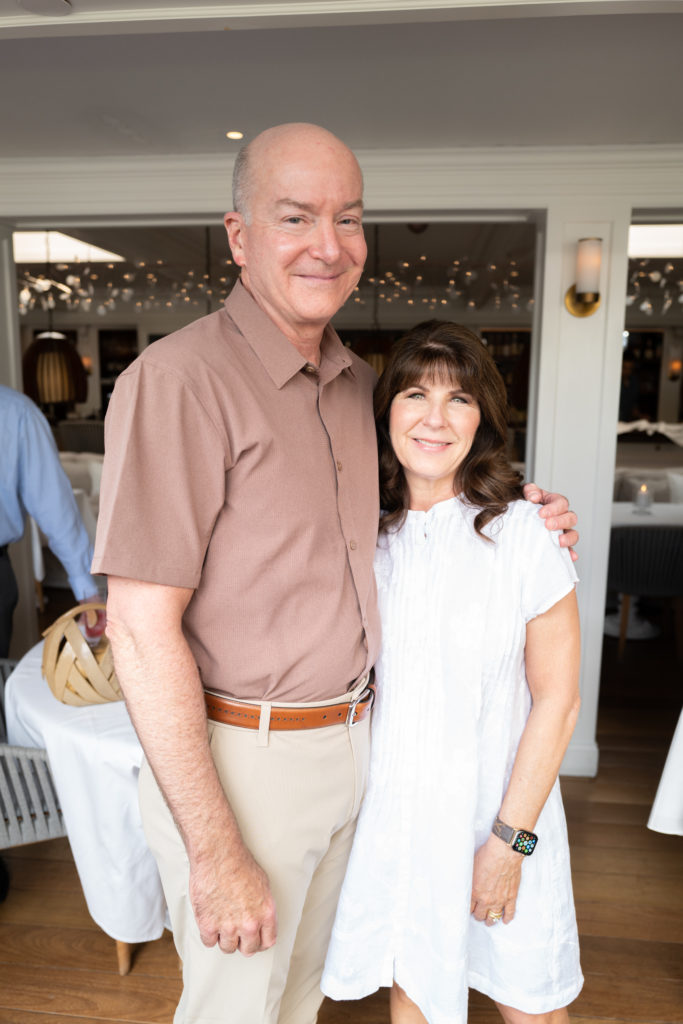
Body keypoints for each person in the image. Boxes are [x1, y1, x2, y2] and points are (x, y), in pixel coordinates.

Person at [93, 123, 579, 1024]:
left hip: (364, 752)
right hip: (245, 759)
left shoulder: (359, 386)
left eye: (348, 218)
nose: (329, 243)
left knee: (303, 999)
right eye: (295, 217)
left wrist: (529, 514)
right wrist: (214, 846)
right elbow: (138, 625)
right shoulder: (179, 381)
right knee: (236, 1008)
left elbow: (426, 506)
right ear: (238, 237)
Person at [322, 321, 583, 1024]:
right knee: (414, 993)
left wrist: (509, 843)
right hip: (397, 819)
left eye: (458, 400)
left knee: (528, 1000)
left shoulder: (525, 534)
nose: (434, 419)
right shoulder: (363, 538)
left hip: (498, 816)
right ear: (387, 416)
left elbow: (557, 702)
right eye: (414, 394)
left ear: (483, 422)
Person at [0, 384, 101, 658]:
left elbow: (53, 503)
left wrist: (85, 587)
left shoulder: (16, 412)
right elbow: (54, 503)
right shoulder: (15, 411)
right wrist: (86, 589)